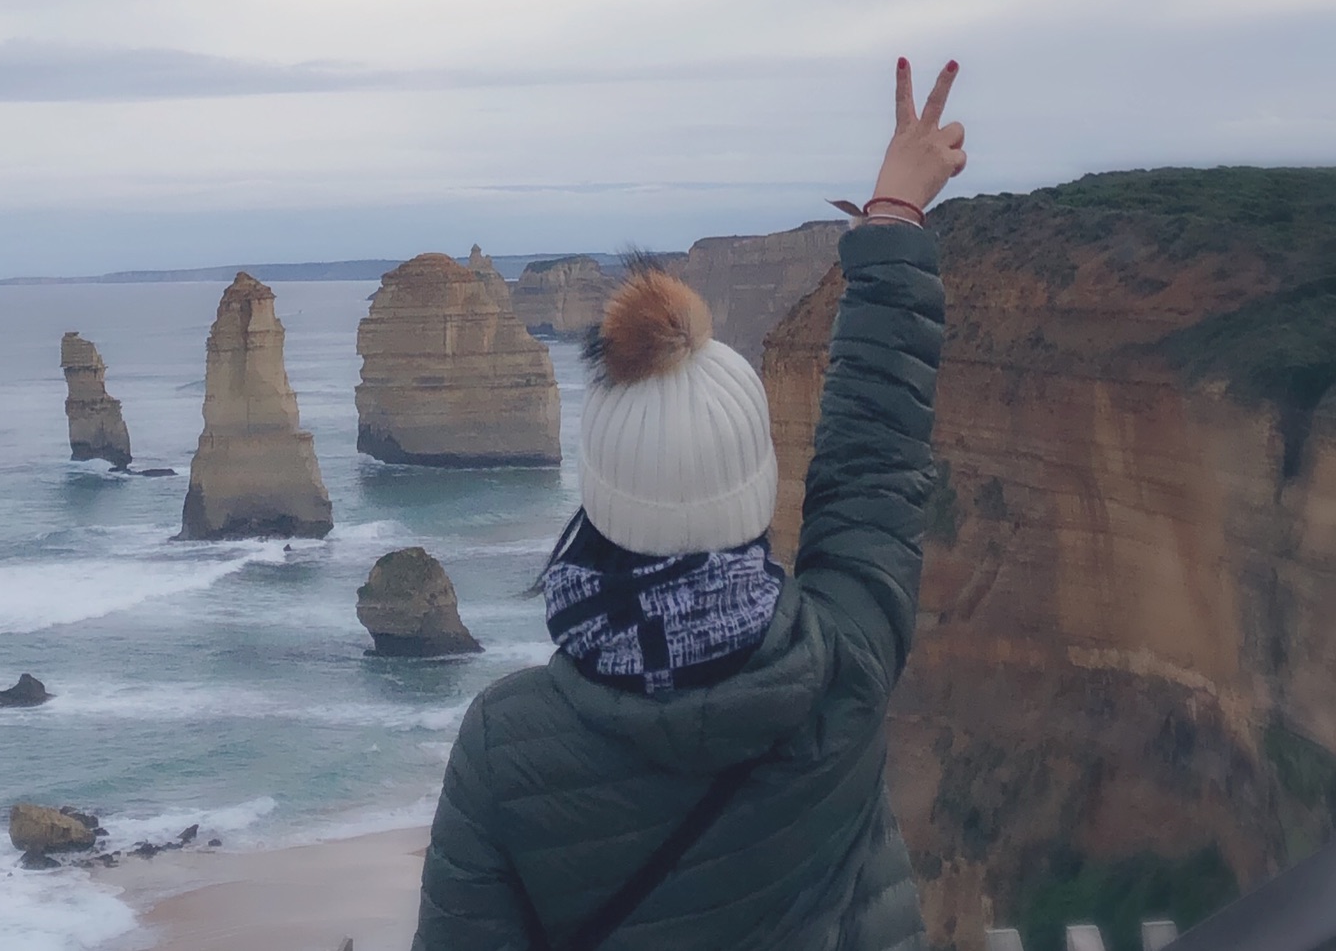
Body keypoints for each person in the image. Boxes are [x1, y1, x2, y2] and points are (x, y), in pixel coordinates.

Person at [412, 58, 966, 951]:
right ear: (757, 496)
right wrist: (895, 214)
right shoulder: (845, 670)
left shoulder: (504, 750)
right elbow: (872, 458)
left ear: (597, 500)